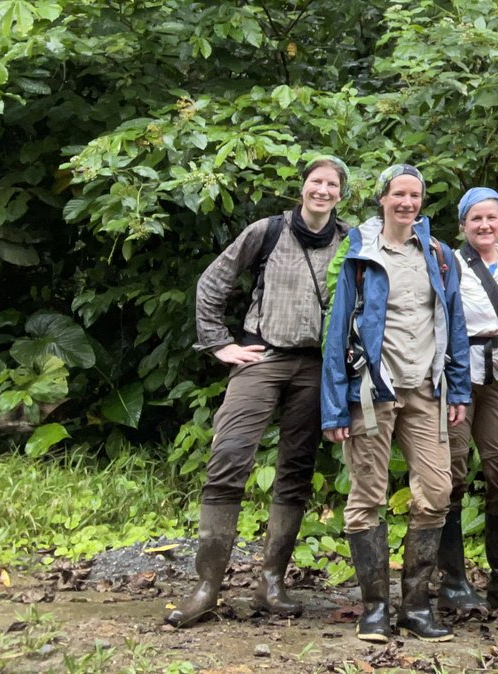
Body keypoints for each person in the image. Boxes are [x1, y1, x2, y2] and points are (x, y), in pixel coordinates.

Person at [169, 155, 350, 628]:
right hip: (262, 357)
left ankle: (272, 582)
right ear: (303, 186)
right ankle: (207, 587)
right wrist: (219, 343)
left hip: (316, 367)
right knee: (228, 456)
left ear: (341, 193)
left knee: (295, 469)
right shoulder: (266, 231)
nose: (323, 191)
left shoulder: (351, 241)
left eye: (332, 184)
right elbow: (214, 281)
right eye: (316, 182)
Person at [320, 164, 471, 643]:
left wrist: (460, 388)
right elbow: (336, 328)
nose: (407, 203)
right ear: (382, 199)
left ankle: (416, 606)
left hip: (426, 391)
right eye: (398, 195)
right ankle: (375, 609)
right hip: (371, 391)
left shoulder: (439, 255)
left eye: (415, 195)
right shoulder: (360, 253)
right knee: (367, 496)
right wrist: (334, 407)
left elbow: (456, 325)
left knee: (438, 490)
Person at [439, 187, 498, 617]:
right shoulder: (448, 264)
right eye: (475, 219)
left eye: (491, 217)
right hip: (455, 376)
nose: (485, 225)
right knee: (452, 472)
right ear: (462, 225)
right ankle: (453, 580)